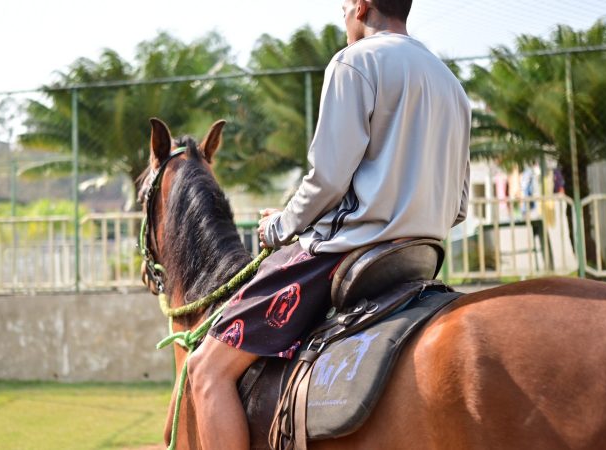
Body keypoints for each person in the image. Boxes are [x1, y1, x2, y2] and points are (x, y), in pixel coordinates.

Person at [187, 1, 471, 448]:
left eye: (343, 6)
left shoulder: (355, 63)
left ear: (360, 5)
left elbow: (327, 181)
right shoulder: (451, 83)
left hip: (343, 254)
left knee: (205, 370)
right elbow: (458, 206)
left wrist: (277, 227)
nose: (343, 17)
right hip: (420, 260)